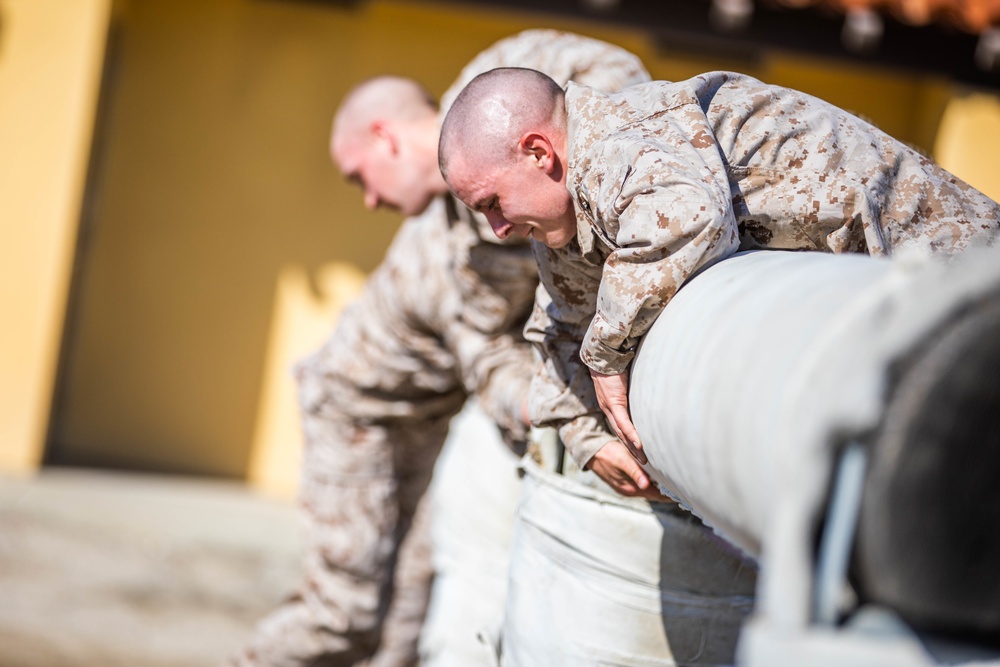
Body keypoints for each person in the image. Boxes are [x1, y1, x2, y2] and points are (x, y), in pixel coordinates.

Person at [228, 32, 651, 667]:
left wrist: (619, 186)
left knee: (406, 625)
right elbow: (489, 361)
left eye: (359, 178)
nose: (370, 200)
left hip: (430, 418)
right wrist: (555, 407)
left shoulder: (494, 87)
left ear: (385, 138)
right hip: (358, 415)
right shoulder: (446, 255)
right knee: (343, 619)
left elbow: (616, 75)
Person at [438, 67, 1000, 495]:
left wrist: (606, 351)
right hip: (902, 310)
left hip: (964, 270)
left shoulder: (622, 142)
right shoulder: (567, 213)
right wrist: (590, 441)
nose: (498, 227)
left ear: (539, 152)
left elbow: (686, 221)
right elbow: (561, 330)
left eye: (492, 202)